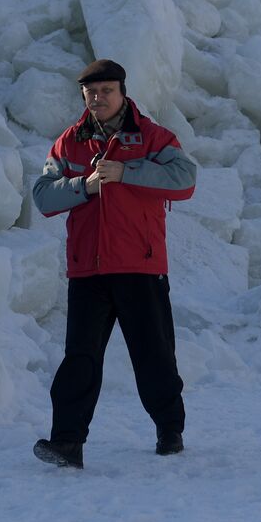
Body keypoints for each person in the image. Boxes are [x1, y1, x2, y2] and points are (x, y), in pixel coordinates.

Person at [30, 59, 198, 470]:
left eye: (106, 90)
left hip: (140, 267)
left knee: (154, 354)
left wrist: (128, 171)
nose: (98, 98)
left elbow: (185, 180)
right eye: (91, 92)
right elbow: (43, 197)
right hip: (88, 270)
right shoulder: (69, 144)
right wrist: (82, 186)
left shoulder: (153, 138)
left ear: (122, 92)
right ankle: (68, 443)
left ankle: (169, 430)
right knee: (79, 359)